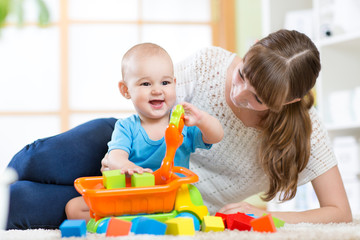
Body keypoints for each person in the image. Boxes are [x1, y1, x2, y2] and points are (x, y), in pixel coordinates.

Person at [6, 30, 352, 230]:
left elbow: (339, 213)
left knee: (20, 203)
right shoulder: (211, 64)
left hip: (160, 201)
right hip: (126, 148)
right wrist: (118, 154)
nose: (238, 93)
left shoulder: (307, 135)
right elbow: (154, 93)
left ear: (289, 101)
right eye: (242, 73)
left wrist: (267, 214)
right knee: (39, 159)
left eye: (257, 98)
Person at [64, 43, 223, 222]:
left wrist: (202, 120)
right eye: (146, 83)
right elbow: (115, 157)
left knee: (192, 206)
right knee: (74, 208)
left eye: (165, 82)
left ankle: (134, 220)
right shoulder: (127, 127)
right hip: (134, 194)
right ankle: (132, 219)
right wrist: (130, 168)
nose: (157, 90)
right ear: (126, 90)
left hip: (171, 197)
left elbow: (216, 136)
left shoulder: (182, 123)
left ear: (174, 84)